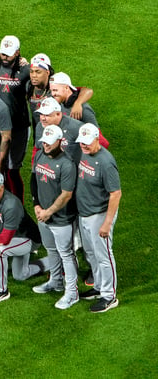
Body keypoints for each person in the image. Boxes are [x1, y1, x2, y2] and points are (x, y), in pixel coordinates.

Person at [0, 169, 45, 304]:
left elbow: (5, 239)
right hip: (10, 237)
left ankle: (2, 291)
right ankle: (53, 261)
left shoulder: (11, 204)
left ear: (1, 187)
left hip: (27, 239)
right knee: (20, 275)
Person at [29, 124, 79, 309]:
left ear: (60, 141)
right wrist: (36, 204)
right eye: (44, 142)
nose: (46, 146)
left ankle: (72, 292)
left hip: (61, 219)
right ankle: (56, 282)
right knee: (51, 250)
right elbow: (33, 179)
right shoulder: (41, 154)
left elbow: (66, 194)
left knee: (66, 254)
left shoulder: (67, 164)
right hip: (43, 215)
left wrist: (48, 212)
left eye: (50, 143)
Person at [75, 124, 120, 313]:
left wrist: (107, 223)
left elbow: (116, 193)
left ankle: (109, 296)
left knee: (104, 256)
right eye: (81, 143)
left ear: (96, 140)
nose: (83, 146)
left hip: (99, 215)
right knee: (91, 254)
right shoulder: (84, 153)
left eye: (87, 143)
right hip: (84, 213)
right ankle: (99, 288)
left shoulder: (106, 162)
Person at [0, 35, 31, 195]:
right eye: (3, 53)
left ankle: (17, 205)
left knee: (12, 169)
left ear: (17, 52)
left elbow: (43, 78)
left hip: (18, 127)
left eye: (8, 54)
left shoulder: (26, 70)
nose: (4, 57)